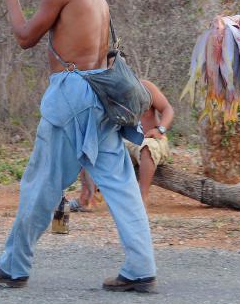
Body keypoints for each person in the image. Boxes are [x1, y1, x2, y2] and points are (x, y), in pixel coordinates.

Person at [0, 0, 157, 293]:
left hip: (72, 95)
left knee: (41, 184)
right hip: (99, 97)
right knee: (121, 186)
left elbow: (25, 38)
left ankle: (12, 266)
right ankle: (141, 268)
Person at [70, 79, 174, 210]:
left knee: (147, 147)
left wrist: (160, 130)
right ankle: (87, 199)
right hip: (124, 143)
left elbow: (168, 109)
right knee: (89, 147)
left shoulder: (145, 87)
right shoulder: (108, 93)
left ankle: (142, 198)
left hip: (152, 140)